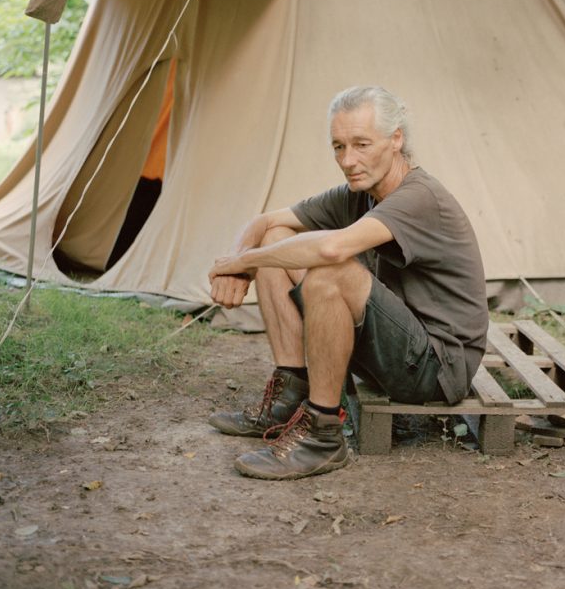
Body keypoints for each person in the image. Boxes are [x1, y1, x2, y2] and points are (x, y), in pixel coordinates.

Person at [207, 85, 489, 480]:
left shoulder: (420, 196)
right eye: (339, 147)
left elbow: (332, 250)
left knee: (331, 269)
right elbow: (266, 223)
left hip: (437, 368)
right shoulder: (360, 192)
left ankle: (323, 437)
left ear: (396, 140)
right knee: (277, 241)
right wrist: (238, 266)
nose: (348, 160)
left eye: (361, 144)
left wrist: (242, 261)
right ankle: (289, 395)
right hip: (395, 350)